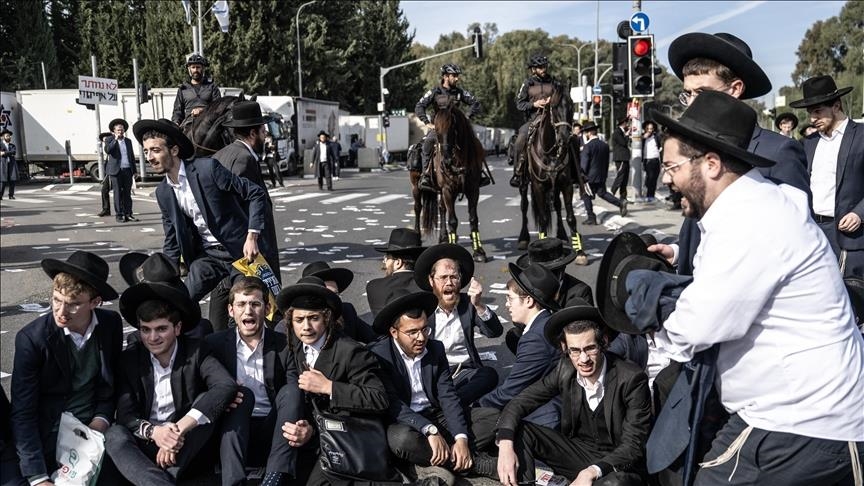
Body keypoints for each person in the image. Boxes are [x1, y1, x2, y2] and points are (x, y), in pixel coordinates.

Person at [652, 90, 864, 484]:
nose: (667, 179)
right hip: (799, 415)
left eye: (672, 167)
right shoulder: (753, 205)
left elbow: (697, 327)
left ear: (711, 164)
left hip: (805, 423)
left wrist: (650, 313)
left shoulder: (750, 220)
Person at [653, 32, 810, 276]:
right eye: (688, 94)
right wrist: (678, 251)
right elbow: (702, 224)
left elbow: (795, 238)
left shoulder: (779, 151)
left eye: (702, 93)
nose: (693, 103)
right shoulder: (693, 147)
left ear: (735, 88)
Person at [132, 118, 270, 332]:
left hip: (241, 253)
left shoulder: (208, 169)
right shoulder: (163, 192)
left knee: (245, 308)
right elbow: (172, 239)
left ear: (174, 150)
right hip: (208, 257)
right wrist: (165, 277)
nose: (150, 157)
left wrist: (252, 236)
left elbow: (255, 193)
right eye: (147, 151)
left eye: (155, 150)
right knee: (179, 300)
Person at [494, 305, 651, 486]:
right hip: (577, 454)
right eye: (575, 351)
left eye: (590, 348)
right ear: (565, 348)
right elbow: (520, 402)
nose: (583, 359)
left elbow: (633, 445)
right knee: (519, 431)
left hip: (617, 466)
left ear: (604, 342)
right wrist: (505, 442)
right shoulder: (565, 369)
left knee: (614, 484)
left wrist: (593, 471)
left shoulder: (632, 378)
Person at [106, 270, 238, 485]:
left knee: (206, 403)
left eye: (161, 329)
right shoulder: (129, 358)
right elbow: (126, 416)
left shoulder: (197, 350)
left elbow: (225, 385)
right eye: (145, 330)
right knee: (114, 435)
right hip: (146, 441)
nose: (152, 337)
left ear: (177, 328)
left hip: (185, 444)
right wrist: (155, 433)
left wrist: (178, 432)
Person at [9, 251, 123, 486]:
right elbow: (23, 412)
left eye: (73, 304)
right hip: (51, 432)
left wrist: (101, 419)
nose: (61, 312)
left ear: (95, 302)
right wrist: (37, 477)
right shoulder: (32, 339)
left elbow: (110, 384)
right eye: (56, 300)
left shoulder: (110, 324)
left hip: (93, 427)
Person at [369, 290, 499, 484]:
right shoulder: (380, 356)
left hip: (436, 414)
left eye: (424, 329)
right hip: (405, 422)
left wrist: (461, 438)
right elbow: (393, 404)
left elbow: (448, 396)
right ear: (394, 332)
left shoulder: (435, 348)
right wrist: (429, 430)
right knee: (401, 440)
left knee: (494, 418)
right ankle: (473, 463)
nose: (421, 338)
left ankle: (435, 459)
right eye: (412, 332)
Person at [275, 280, 396, 485]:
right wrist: (308, 430)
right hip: (311, 436)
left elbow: (379, 398)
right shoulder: (292, 346)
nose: (306, 327)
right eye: (299, 320)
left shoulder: (350, 351)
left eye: (314, 318)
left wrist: (329, 387)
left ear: (327, 318)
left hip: (346, 440)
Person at [205, 276, 309, 486]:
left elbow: (293, 394)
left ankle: (274, 477)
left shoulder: (285, 344)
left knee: (292, 392)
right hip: (231, 428)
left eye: (255, 304)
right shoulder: (213, 344)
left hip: (272, 428)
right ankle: (234, 482)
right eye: (241, 304)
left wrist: (306, 426)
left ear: (267, 308)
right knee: (241, 396)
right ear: (231, 310)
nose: (248, 311)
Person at [212, 101, 282, 328]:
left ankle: (218, 337)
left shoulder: (221, 154)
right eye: (263, 131)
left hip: (224, 244)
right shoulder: (244, 159)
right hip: (247, 249)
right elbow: (244, 202)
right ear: (254, 133)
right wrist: (252, 237)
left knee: (223, 294)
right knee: (256, 302)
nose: (265, 136)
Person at [790, 74, 864, 278]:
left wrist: (860, 213)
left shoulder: (861, 136)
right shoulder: (809, 142)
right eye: (809, 113)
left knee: (853, 298)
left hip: (850, 235)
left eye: (817, 112)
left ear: (837, 106)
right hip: (812, 230)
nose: (812, 119)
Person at [476, 263, 564, 429]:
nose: (507, 305)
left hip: (549, 415)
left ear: (529, 300)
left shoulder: (536, 339)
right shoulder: (543, 324)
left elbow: (510, 391)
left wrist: (476, 406)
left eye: (509, 298)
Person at [413, 243, 502, 406]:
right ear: (431, 280)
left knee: (489, 375)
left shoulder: (469, 304)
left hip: (464, 371)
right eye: (443, 277)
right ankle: (453, 404)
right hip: (434, 373)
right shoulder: (423, 308)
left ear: (460, 280)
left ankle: (450, 405)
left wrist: (479, 305)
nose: (449, 283)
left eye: (454, 277)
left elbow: (494, 332)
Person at [415, 63, 481, 193]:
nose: (457, 79)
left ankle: (479, 173)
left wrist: (467, 117)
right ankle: (426, 175)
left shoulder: (460, 93)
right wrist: (427, 122)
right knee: (427, 143)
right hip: (439, 130)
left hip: (457, 130)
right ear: (445, 76)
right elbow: (419, 106)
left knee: (474, 143)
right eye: (454, 76)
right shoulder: (435, 92)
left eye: (457, 76)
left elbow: (475, 103)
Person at [509, 54, 566, 188]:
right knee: (519, 140)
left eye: (544, 66)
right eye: (540, 67)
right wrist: (534, 105)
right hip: (533, 119)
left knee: (569, 138)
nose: (543, 69)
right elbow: (519, 104)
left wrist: (552, 101)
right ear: (533, 69)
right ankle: (518, 172)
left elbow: (562, 99)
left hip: (553, 119)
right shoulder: (528, 83)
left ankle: (576, 172)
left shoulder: (554, 82)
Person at [301, 262, 377, 344]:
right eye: (327, 295)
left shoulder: (346, 312)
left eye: (336, 295)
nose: (333, 300)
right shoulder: (299, 324)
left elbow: (375, 338)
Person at [366, 228, 425, 318]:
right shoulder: (427, 286)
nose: (384, 263)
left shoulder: (373, 287)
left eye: (386, 258)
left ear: (398, 263)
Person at [580, 122, 628, 224]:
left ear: (589, 133)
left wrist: (581, 175)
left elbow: (584, 164)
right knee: (602, 193)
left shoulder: (587, 146)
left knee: (585, 195)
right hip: (601, 175)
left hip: (589, 177)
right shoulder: (605, 146)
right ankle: (620, 203)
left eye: (586, 132)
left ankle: (591, 217)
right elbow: (606, 162)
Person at [172, 53, 221, 127]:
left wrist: (202, 110)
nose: (195, 70)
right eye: (193, 67)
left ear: (203, 68)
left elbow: (218, 107)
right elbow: (177, 111)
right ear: (189, 69)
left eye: (198, 67)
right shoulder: (183, 89)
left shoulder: (212, 87)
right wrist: (176, 122)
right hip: (188, 125)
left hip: (208, 125)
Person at [104, 118, 138, 223]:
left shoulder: (128, 141)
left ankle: (129, 214)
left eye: (122, 130)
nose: (120, 132)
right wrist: (115, 140)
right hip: (116, 171)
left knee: (127, 193)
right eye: (118, 130)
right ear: (114, 131)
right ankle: (119, 215)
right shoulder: (109, 140)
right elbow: (108, 150)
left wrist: (135, 170)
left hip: (127, 169)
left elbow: (131, 156)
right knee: (117, 193)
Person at [609, 118, 631, 201]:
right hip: (620, 158)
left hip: (625, 158)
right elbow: (623, 143)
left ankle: (623, 197)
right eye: (627, 123)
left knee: (625, 178)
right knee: (620, 176)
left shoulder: (621, 132)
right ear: (623, 123)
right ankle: (612, 192)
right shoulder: (617, 132)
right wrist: (627, 134)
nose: (628, 125)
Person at [642, 121, 662, 202]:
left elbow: (660, 146)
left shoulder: (656, 137)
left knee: (654, 179)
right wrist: (643, 137)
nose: (650, 130)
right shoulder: (643, 138)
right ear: (645, 129)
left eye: (651, 128)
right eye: (648, 128)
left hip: (656, 160)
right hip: (648, 160)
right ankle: (649, 196)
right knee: (650, 179)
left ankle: (651, 195)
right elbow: (635, 143)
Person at [97, 131, 114, 217]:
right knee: (104, 190)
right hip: (110, 172)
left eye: (106, 139)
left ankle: (123, 210)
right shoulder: (108, 147)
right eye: (104, 141)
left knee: (120, 192)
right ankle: (106, 209)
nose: (105, 141)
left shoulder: (113, 145)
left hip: (115, 172)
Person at [0, 128, 18, 200]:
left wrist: (4, 153)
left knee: (12, 180)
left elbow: (14, 152)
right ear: (3, 137)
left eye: (10, 136)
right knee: (2, 181)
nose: (9, 137)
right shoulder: (0, 144)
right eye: (7, 136)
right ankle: (0, 195)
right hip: (2, 164)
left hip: (11, 164)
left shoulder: (12, 145)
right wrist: (8, 153)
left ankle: (11, 195)